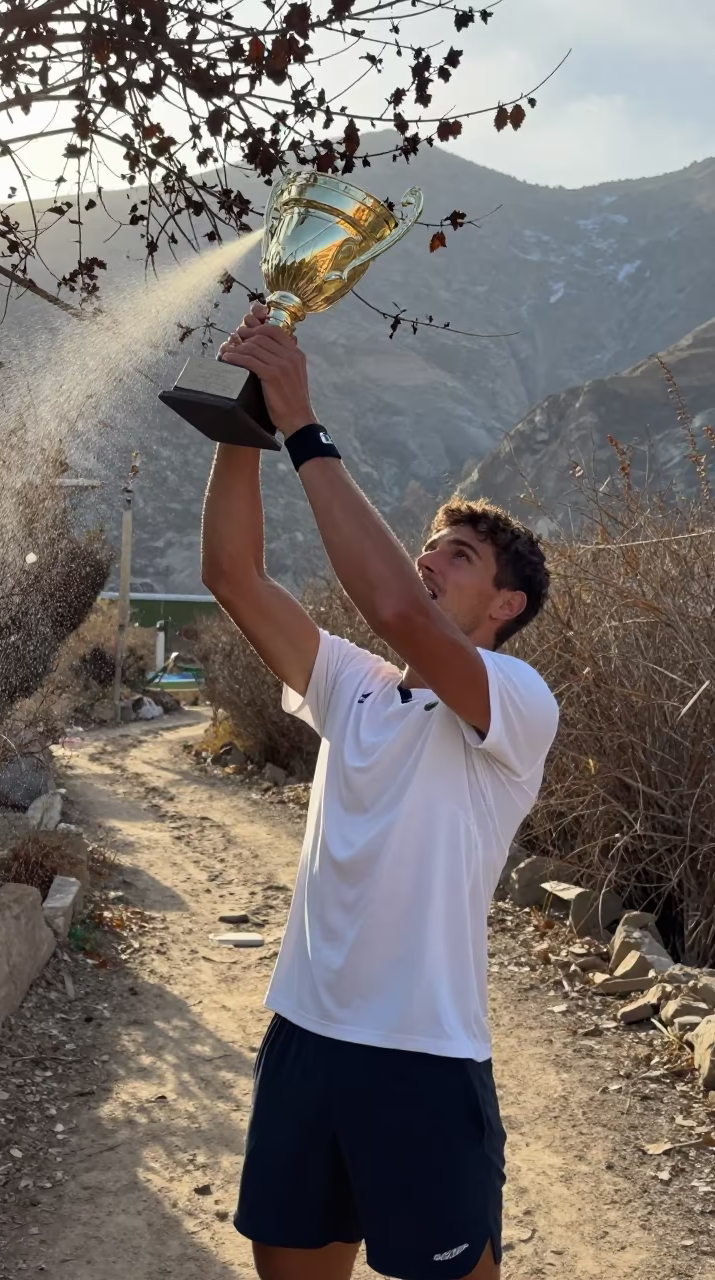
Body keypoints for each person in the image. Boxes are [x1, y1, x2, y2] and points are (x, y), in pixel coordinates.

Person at [201, 302, 559, 1280]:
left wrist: (304, 424)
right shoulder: (352, 685)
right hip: (305, 1039)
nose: (429, 557)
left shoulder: (517, 703)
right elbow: (231, 573)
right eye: (430, 542)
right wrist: (245, 423)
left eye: (459, 554)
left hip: (424, 1058)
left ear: (506, 604)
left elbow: (398, 608)